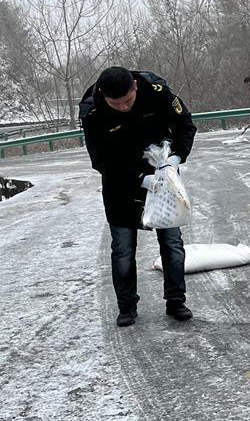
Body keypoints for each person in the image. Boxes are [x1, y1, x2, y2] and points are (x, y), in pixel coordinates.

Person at [79, 66, 198, 327]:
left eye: (128, 101)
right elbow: (101, 159)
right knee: (123, 249)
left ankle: (176, 301)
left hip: (163, 181)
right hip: (120, 187)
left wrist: (176, 158)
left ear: (134, 86)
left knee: (172, 244)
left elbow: (185, 125)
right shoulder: (93, 111)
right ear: (103, 94)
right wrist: (140, 180)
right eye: (116, 104)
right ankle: (127, 306)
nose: (123, 107)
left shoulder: (157, 93)